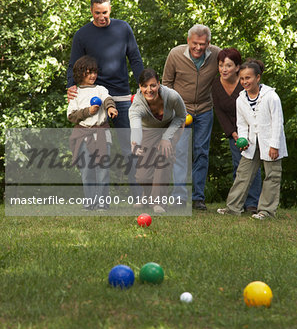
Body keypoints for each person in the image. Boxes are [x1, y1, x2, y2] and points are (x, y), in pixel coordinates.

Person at [67, 0, 144, 197]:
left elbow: (135, 59)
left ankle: (138, 196)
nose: (102, 17)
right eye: (97, 13)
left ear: (110, 9)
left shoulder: (123, 28)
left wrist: (143, 84)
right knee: (95, 153)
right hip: (96, 100)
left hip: (122, 98)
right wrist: (70, 86)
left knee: (130, 148)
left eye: (105, 12)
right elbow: (73, 65)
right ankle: (96, 197)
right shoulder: (82, 35)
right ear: (91, 11)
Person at [217, 59, 288, 219]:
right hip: (251, 143)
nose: (244, 82)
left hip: (270, 143)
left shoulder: (271, 97)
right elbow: (241, 124)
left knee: (272, 176)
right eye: (242, 79)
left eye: (248, 78)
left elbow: (278, 123)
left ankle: (266, 211)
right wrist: (242, 139)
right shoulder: (240, 99)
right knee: (243, 174)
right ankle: (233, 208)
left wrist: (274, 145)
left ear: (257, 78)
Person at [162, 24, 221, 210]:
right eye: (194, 43)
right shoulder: (175, 54)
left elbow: (228, 75)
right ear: (188, 41)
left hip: (204, 109)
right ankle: (179, 196)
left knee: (201, 152)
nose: (198, 47)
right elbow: (166, 83)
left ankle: (198, 198)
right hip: (181, 111)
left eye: (202, 44)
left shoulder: (217, 55)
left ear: (208, 43)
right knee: (180, 152)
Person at [129, 69, 186, 213]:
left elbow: (181, 116)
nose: (149, 90)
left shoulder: (172, 96)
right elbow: (135, 124)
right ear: (140, 87)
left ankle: (158, 202)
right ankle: (146, 195)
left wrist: (167, 138)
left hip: (171, 126)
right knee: (143, 174)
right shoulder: (137, 105)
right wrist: (135, 143)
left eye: (153, 85)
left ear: (159, 84)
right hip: (148, 130)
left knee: (163, 159)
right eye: (145, 86)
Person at [212, 48, 261, 213]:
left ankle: (253, 203)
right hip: (234, 132)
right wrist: (233, 133)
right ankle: (238, 203)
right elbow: (219, 111)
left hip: (252, 130)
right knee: (238, 165)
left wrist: (248, 133)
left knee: (253, 165)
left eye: (228, 65)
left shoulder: (245, 83)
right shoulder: (216, 84)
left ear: (237, 67)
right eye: (221, 65)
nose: (224, 69)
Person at [67, 55, 118, 211]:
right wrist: (87, 111)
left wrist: (110, 108)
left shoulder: (100, 89)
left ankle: (102, 202)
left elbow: (108, 99)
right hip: (83, 136)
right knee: (87, 170)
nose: (92, 76)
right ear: (80, 73)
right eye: (88, 72)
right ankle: (90, 201)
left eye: (94, 72)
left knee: (102, 170)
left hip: (101, 134)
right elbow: (71, 115)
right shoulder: (75, 93)